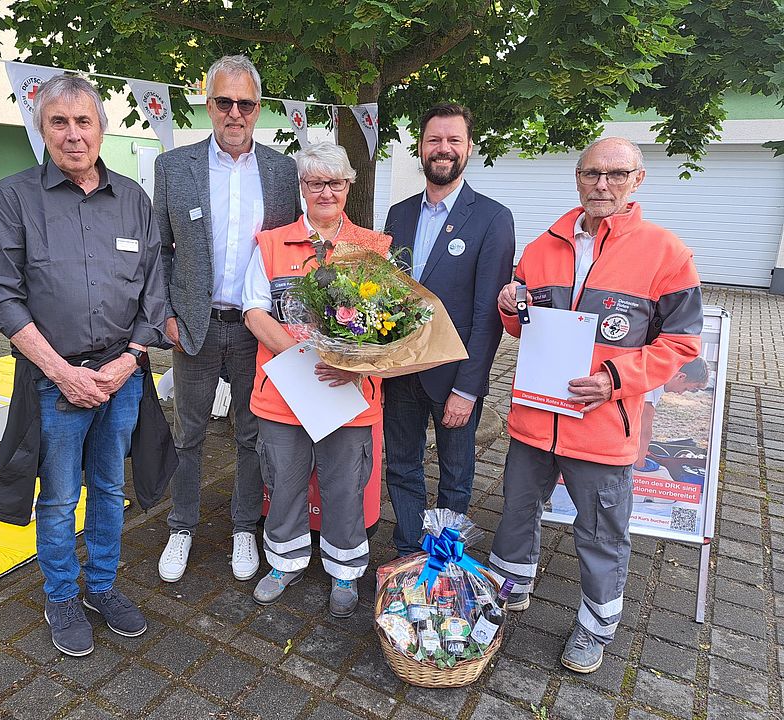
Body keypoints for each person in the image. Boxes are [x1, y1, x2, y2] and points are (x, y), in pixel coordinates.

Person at [490, 137, 703, 673]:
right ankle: (511, 586)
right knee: (516, 511)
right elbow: (521, 324)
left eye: (614, 174)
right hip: (536, 418)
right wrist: (509, 308)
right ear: (578, 178)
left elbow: (681, 344)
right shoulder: (543, 247)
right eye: (591, 174)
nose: (601, 184)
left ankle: (596, 624)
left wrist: (615, 378)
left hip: (603, 426)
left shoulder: (666, 253)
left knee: (601, 530)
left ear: (638, 179)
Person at [0, 74, 169, 657]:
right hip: (54, 382)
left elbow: (154, 293)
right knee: (60, 497)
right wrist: (63, 372)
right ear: (42, 129)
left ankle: (102, 587)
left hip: (123, 379)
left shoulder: (133, 199)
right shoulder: (14, 197)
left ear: (101, 129)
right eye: (58, 122)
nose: (72, 134)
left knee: (111, 490)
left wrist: (131, 361)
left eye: (83, 121)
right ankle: (61, 594)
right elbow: (3, 295)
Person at [153, 55, 301, 583]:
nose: (234, 113)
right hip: (193, 324)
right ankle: (181, 525)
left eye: (246, 103)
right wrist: (165, 315)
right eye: (224, 102)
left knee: (249, 433)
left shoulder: (284, 172)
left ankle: (243, 526)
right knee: (189, 432)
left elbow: (292, 253)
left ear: (259, 109)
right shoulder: (175, 167)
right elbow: (160, 250)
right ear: (208, 103)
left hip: (256, 328)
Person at [242, 142, 388, 616]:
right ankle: (283, 561)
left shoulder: (372, 248)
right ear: (301, 187)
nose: (325, 191)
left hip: (348, 394)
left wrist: (351, 359)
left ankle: (345, 572)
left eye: (335, 182)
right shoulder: (270, 243)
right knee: (284, 482)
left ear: (349, 185)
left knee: (344, 484)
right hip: (284, 392)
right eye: (314, 182)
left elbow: (390, 324)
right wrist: (300, 353)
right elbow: (253, 311)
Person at [382, 104, 515, 556]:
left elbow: (487, 315)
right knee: (401, 467)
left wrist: (469, 389)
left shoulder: (493, 218)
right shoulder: (398, 215)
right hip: (401, 371)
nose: (443, 149)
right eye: (434, 140)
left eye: (453, 141)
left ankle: (444, 560)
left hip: (454, 376)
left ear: (468, 148)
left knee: (456, 477)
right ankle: (408, 552)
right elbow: (386, 294)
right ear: (420, 147)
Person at [635, 357, 709, 473]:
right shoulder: (652, 381)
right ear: (681, 376)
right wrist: (639, 465)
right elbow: (644, 430)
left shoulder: (659, 376)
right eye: (685, 388)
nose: (680, 393)